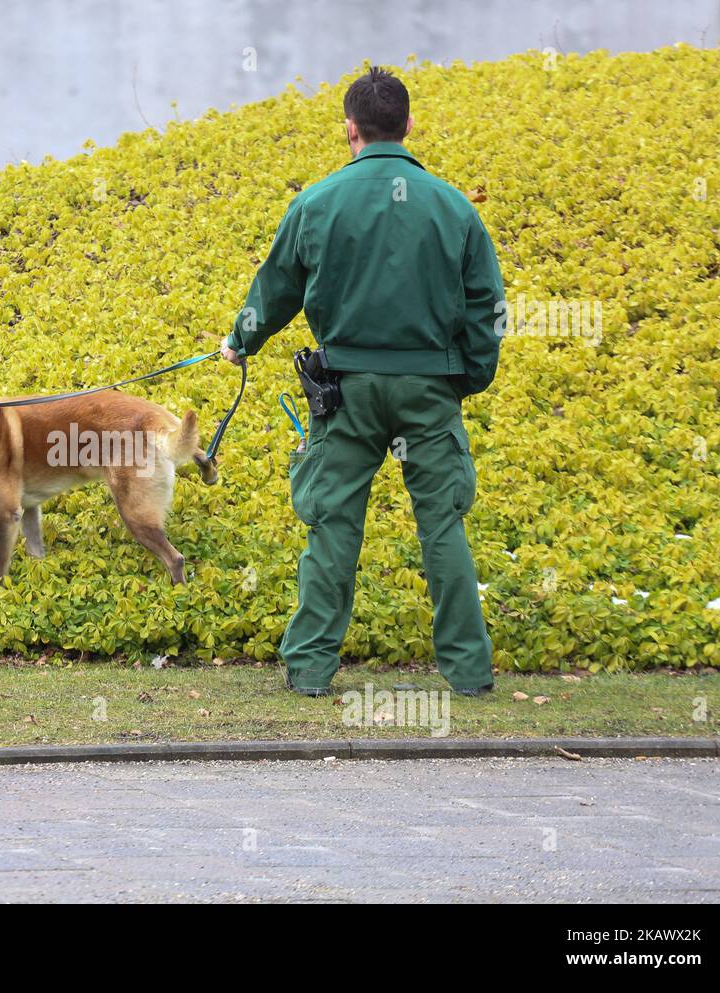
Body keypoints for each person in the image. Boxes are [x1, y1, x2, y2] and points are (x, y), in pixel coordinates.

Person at [220, 66, 504, 698]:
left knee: (333, 525)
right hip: (431, 389)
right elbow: (486, 306)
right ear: (408, 125)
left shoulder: (316, 203)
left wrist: (240, 342)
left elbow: (274, 290)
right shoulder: (454, 207)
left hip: (344, 391)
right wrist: (467, 376)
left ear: (350, 128)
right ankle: (469, 674)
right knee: (442, 528)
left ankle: (311, 671)